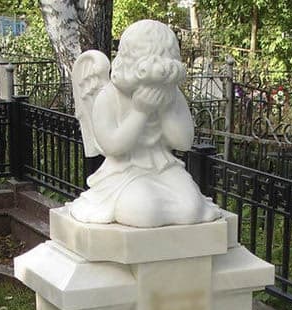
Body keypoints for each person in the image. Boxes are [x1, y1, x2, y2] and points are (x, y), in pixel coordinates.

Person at [70, 20, 220, 227]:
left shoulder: (172, 95)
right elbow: (112, 146)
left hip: (165, 167)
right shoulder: (108, 96)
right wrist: (140, 112)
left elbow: (184, 142)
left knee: (192, 209)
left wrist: (165, 108)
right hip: (123, 172)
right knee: (144, 212)